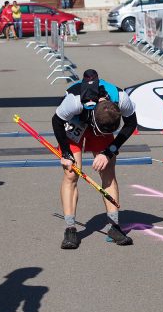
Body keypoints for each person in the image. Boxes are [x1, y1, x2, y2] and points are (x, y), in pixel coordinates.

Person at [52, 69, 137, 249]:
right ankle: (70, 228)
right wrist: (66, 154)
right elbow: (56, 121)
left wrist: (109, 151)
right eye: (100, 130)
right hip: (75, 121)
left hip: (102, 118)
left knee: (108, 172)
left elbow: (131, 124)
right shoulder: (74, 101)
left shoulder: (121, 98)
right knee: (71, 174)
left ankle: (114, 226)